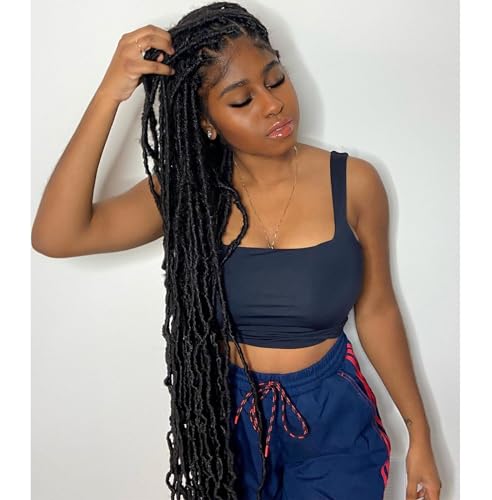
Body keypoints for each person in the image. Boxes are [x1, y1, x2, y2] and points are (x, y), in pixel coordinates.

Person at [31, 2, 442, 499]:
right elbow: (58, 236)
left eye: (275, 80)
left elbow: (377, 309)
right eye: (242, 100)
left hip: (332, 416)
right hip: (226, 417)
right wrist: (109, 95)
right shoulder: (189, 193)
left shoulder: (355, 182)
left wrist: (420, 434)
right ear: (207, 121)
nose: (273, 105)